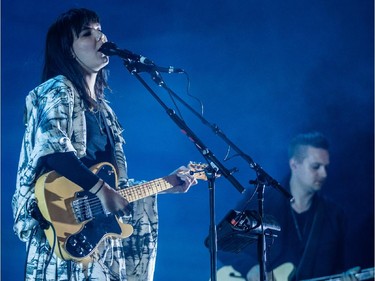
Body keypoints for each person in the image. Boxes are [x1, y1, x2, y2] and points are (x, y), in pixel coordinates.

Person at [12, 8, 197, 281]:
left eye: (99, 29)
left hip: (98, 244)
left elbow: (112, 184)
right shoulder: (57, 89)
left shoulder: (105, 112)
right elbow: (53, 149)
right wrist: (101, 189)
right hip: (61, 236)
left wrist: (168, 184)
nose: (100, 37)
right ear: (67, 50)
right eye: (87, 33)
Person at [217, 131, 359, 281]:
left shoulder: (335, 215)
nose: (324, 174)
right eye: (316, 167)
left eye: (326, 167)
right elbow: (220, 240)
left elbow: (337, 269)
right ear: (294, 165)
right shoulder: (260, 199)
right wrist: (251, 268)